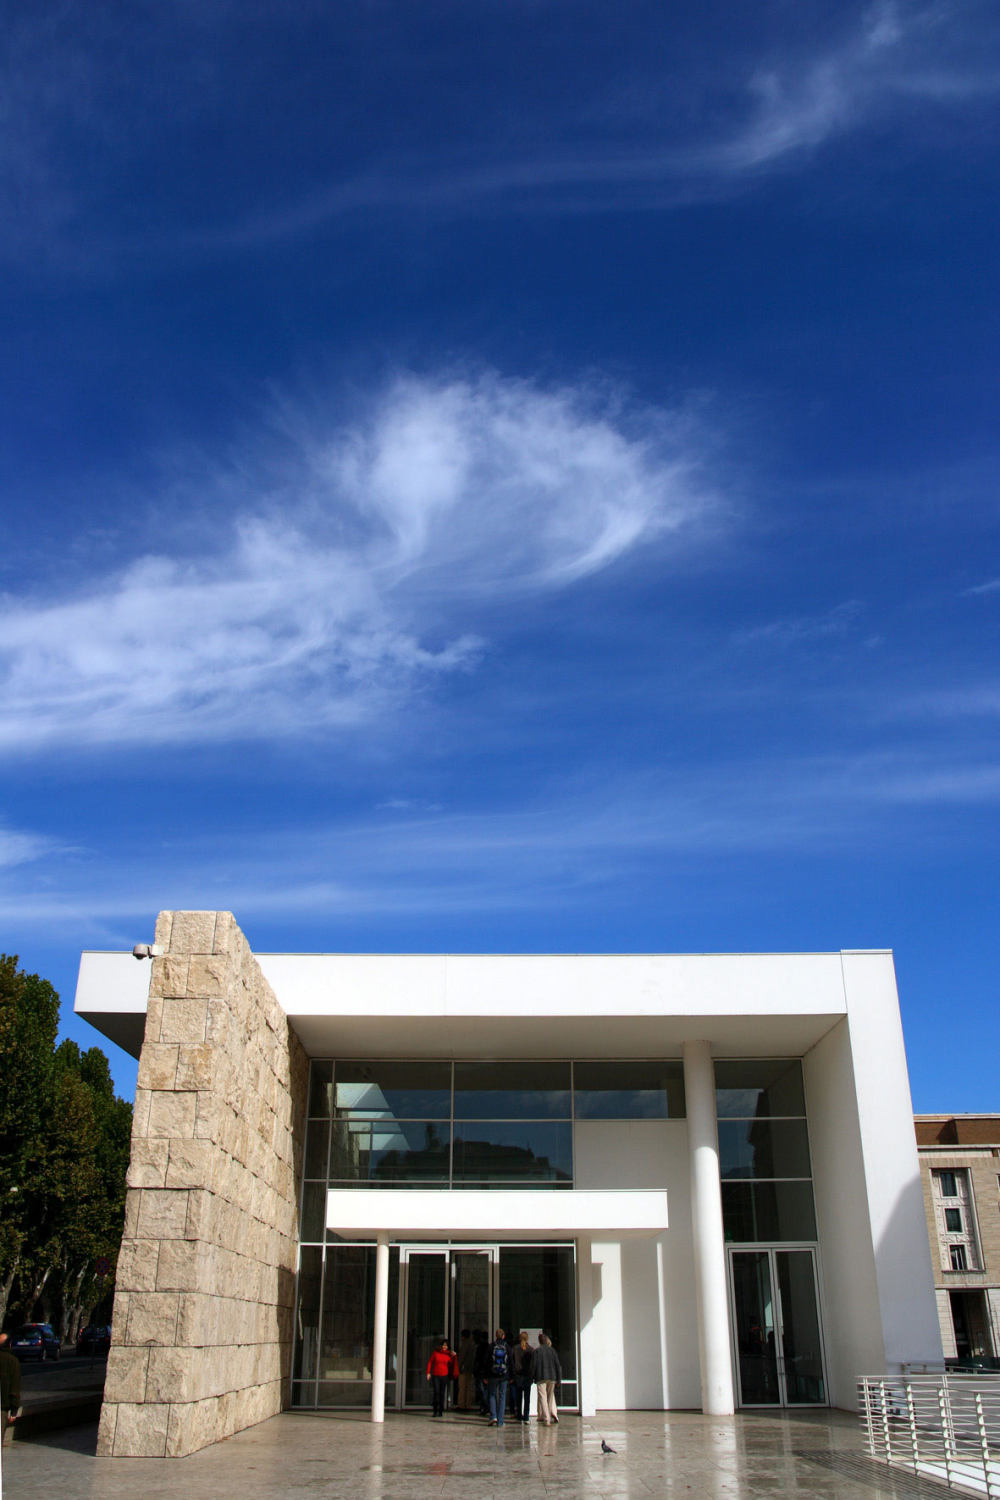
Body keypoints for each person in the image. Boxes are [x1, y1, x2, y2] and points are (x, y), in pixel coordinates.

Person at [533, 1331, 562, 1426]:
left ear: (539, 1342)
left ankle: (546, 1419)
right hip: (552, 1377)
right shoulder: (552, 1350)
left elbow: (534, 1365)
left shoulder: (537, 1351)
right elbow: (558, 1365)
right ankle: (548, 1416)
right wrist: (559, 1379)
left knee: (543, 1397)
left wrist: (532, 1377)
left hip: (541, 1377)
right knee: (549, 1398)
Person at [486, 1327, 512, 1427]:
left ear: (496, 1336)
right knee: (502, 1396)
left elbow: (487, 1361)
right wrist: (511, 1376)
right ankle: (500, 1421)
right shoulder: (507, 1347)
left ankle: (493, 1417)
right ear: (503, 1336)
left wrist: (485, 1375)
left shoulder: (491, 1346)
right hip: (504, 1375)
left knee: (492, 1395)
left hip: (492, 1375)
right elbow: (511, 1362)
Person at [425, 1337, 456, 1417]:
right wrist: (428, 1373)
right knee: (436, 1392)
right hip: (436, 1375)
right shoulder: (436, 1353)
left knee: (442, 1393)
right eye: (443, 1345)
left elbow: (452, 1364)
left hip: (444, 1376)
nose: (444, 1347)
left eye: (446, 1345)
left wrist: (454, 1356)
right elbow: (430, 1362)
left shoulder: (449, 1354)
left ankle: (440, 1410)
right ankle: (435, 1410)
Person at [0, 1332, 20, 1446]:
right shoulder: (12, 1361)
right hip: (2, 1407)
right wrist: (14, 1411)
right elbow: (14, 1388)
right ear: (10, 1344)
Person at [511, 1330, 534, 1422]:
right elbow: (532, 1364)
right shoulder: (531, 1349)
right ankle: (526, 1416)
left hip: (518, 1376)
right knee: (527, 1397)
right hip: (527, 1376)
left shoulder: (515, 1348)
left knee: (519, 1397)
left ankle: (519, 1415)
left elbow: (512, 1362)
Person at [473, 1329, 492, 1415]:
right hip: (485, 1371)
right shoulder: (488, 1347)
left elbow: (478, 1360)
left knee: (482, 1390)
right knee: (485, 1390)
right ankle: (484, 1406)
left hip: (481, 1371)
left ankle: (486, 1406)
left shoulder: (482, 1347)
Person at [456, 1328, 476, 1410]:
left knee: (462, 1387)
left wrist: (459, 1366)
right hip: (470, 1368)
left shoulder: (465, 1344)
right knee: (468, 1388)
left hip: (464, 1369)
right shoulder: (472, 1344)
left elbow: (462, 1357)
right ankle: (468, 1404)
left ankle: (461, 1404)